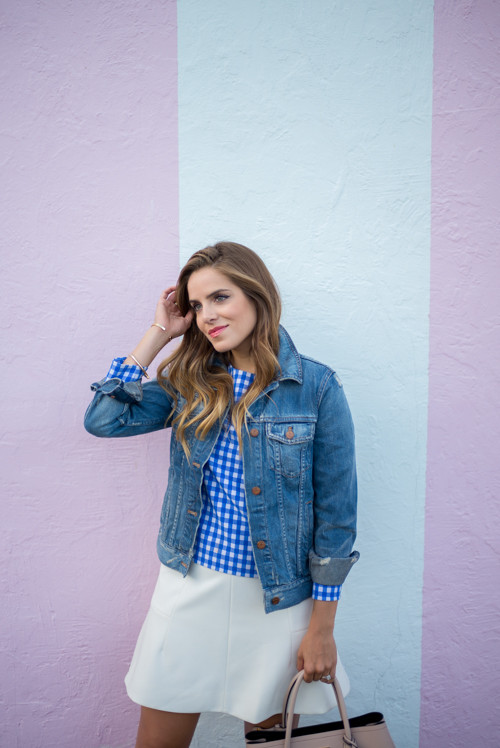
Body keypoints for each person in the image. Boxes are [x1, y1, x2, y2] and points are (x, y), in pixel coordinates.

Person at [84, 241, 359, 748]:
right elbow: (104, 420)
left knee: (275, 743)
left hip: (277, 601)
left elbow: (336, 517)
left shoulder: (316, 387)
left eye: (220, 297)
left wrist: (323, 626)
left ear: (257, 295)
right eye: (196, 305)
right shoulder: (191, 382)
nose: (207, 316)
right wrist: (160, 334)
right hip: (192, 589)